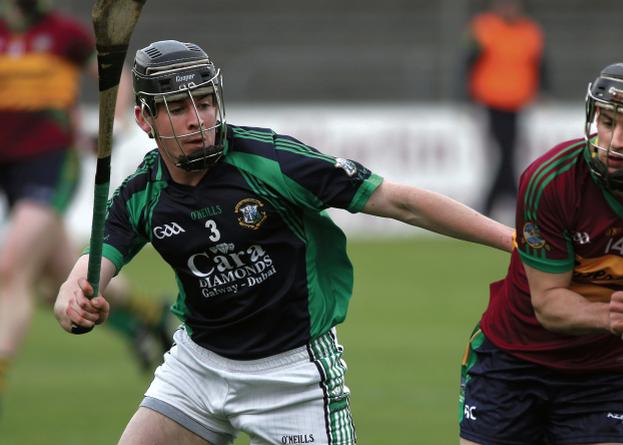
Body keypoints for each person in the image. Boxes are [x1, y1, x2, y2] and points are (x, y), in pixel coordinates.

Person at [53, 39, 514, 445]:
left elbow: (401, 202)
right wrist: (73, 301)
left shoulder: (270, 161)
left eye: (206, 102)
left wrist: (511, 239)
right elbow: (93, 264)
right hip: (198, 365)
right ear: (144, 119)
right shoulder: (142, 192)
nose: (199, 120)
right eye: (178, 108)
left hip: (293, 374)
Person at [458, 61, 623, 445]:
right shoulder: (551, 180)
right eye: (608, 120)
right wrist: (606, 315)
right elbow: (547, 304)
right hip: (511, 362)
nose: (615, 140)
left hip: (602, 376)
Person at [0, 0, 173, 404]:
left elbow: (114, 72)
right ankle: (147, 316)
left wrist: (114, 123)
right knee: (64, 280)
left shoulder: (65, 35)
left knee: (11, 271)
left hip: (50, 166)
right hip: (8, 171)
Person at [466, 0, 545, 219]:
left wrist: (542, 90)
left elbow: (539, 64)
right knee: (506, 154)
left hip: (517, 102)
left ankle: (491, 204)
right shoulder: (484, 28)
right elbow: (469, 62)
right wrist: (467, 96)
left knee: (507, 154)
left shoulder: (529, 31)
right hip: (492, 100)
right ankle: (516, 199)